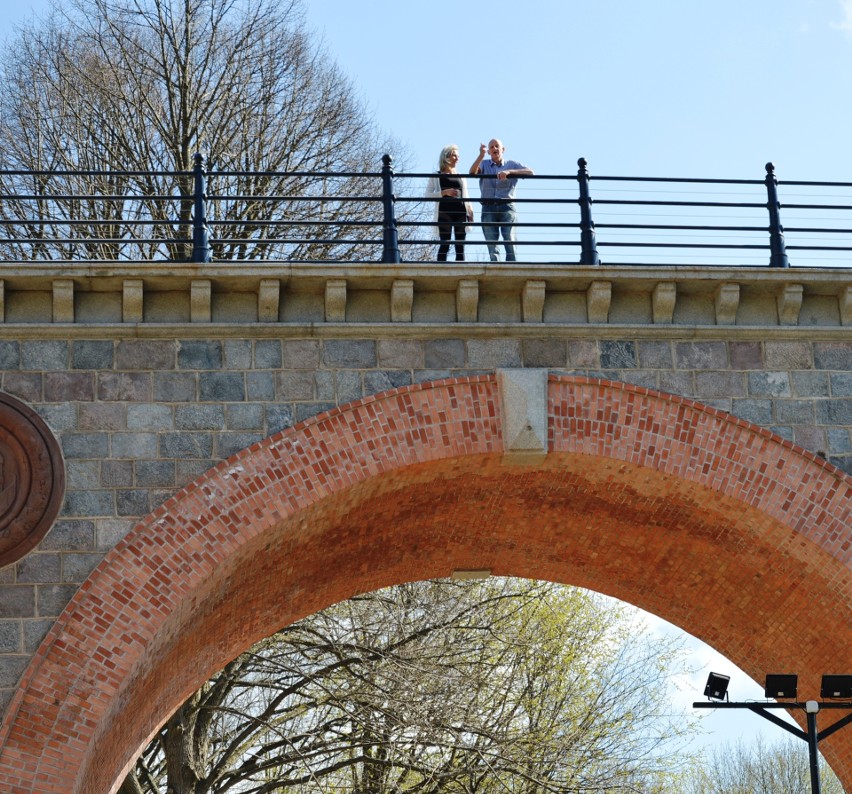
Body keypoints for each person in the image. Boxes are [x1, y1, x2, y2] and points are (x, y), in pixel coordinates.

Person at [469, 138, 534, 262]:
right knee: (491, 242)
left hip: (507, 206)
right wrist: (480, 155)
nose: (494, 149)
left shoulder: (511, 164)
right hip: (488, 206)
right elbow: (472, 172)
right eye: (491, 147)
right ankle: (495, 268)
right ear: (489, 151)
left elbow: (531, 172)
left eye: (497, 146)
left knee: (509, 239)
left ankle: (512, 268)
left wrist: (510, 172)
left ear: (503, 149)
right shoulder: (484, 164)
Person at [425, 145, 473, 262]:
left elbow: (466, 195)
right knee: (445, 243)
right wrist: (444, 192)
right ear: (446, 157)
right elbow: (427, 195)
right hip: (444, 214)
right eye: (454, 155)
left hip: (460, 213)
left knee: (460, 246)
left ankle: (461, 271)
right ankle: (440, 270)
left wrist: (470, 211)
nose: (457, 158)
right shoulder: (436, 176)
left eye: (458, 156)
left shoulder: (461, 176)